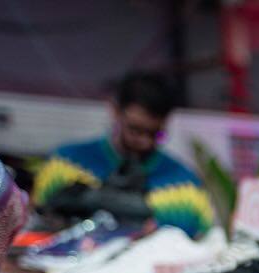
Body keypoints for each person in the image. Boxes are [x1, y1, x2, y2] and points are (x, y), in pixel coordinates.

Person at [32, 71, 213, 238]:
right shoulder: (66, 164)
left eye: (155, 134)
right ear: (115, 110)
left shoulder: (185, 184)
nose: (145, 142)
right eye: (135, 130)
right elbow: (36, 227)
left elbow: (206, 243)